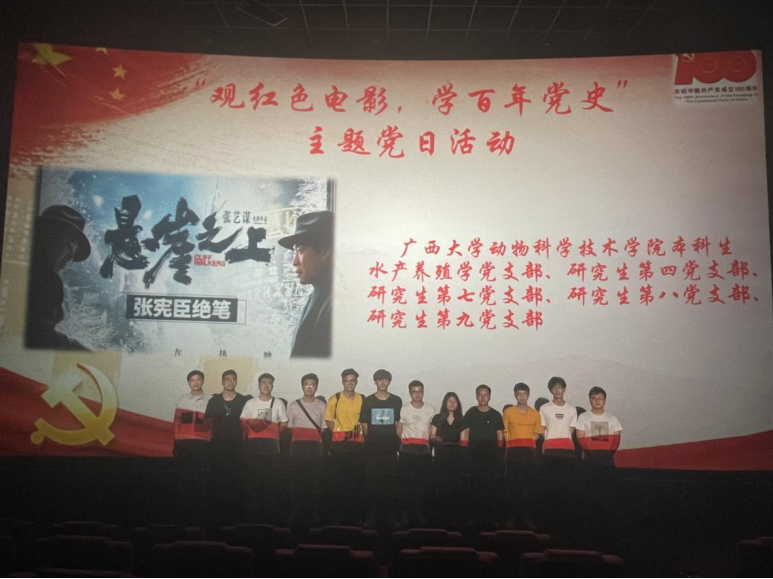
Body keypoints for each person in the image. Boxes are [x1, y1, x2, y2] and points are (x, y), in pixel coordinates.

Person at [26, 205, 92, 350]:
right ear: (49, 237)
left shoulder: (30, 271)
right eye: (69, 245)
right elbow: (40, 338)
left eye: (75, 249)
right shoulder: (46, 280)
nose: (70, 257)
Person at [278, 211, 334, 358]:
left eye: (301, 251)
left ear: (324, 251)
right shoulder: (318, 295)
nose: (295, 261)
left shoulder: (336, 304)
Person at [240, 373, 288, 523]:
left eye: (269, 383)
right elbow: (243, 423)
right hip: (253, 449)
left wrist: (273, 433)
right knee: (252, 483)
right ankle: (252, 518)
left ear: (273, 385)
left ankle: (269, 518)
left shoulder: (278, 403)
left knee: (270, 484)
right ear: (259, 385)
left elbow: (284, 422)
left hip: (271, 449)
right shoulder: (250, 403)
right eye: (263, 382)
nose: (266, 385)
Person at [205, 369, 251, 523]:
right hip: (217, 448)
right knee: (218, 483)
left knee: (236, 482)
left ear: (236, 381)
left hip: (237, 448)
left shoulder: (244, 401)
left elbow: (248, 425)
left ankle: (235, 517)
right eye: (227, 379)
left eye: (233, 379)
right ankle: (218, 517)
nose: (230, 382)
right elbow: (207, 424)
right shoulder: (214, 401)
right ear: (222, 381)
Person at [359, 368, 402, 528]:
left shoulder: (396, 400)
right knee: (372, 483)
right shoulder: (368, 400)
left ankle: (390, 515)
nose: (382, 382)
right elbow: (364, 423)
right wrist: (373, 438)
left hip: (390, 448)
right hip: (372, 449)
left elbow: (397, 424)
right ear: (375, 381)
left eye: (385, 380)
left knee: (390, 483)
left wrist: (396, 443)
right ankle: (372, 515)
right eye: (379, 379)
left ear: (389, 382)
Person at [286, 373, 328, 528]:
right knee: (297, 482)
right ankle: (296, 512)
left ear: (316, 387)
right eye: (306, 384)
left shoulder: (322, 405)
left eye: (312, 384)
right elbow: (290, 427)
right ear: (302, 386)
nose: (309, 387)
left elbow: (324, 428)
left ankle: (313, 513)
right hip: (297, 447)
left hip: (314, 447)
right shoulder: (294, 405)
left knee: (314, 482)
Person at [324, 368, 365, 525]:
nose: (350, 383)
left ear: (356, 382)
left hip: (357, 446)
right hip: (339, 446)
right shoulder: (334, 399)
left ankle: (355, 517)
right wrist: (338, 431)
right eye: (347, 380)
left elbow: (364, 421)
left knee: (356, 482)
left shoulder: (362, 399)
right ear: (342, 382)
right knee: (339, 482)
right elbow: (328, 419)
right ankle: (338, 517)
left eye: (353, 380)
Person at [462, 384, 505, 529]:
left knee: (491, 488)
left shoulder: (496, 415)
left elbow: (500, 437)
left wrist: (499, 455)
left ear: (490, 396)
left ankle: (491, 518)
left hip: (491, 456)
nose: (482, 397)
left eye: (485, 394)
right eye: (480, 395)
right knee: (475, 487)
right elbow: (465, 433)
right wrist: (465, 453)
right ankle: (474, 517)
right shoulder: (470, 413)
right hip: (474, 455)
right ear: (476, 396)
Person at [172, 370, 212, 523]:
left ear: (203, 381)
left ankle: (200, 516)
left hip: (203, 445)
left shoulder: (210, 400)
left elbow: (212, 424)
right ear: (188, 383)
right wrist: (176, 442)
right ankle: (184, 516)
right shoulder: (181, 400)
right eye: (192, 380)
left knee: (201, 481)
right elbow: (177, 423)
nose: (196, 383)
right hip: (185, 445)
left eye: (198, 379)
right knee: (185, 480)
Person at [502, 382, 543, 530]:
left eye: (524, 394)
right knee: (513, 486)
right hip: (513, 452)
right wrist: (513, 442)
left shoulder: (535, 413)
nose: (522, 396)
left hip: (529, 453)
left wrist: (528, 441)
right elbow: (505, 431)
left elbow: (538, 432)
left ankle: (527, 518)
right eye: (519, 394)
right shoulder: (508, 412)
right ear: (515, 395)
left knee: (528, 487)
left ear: (528, 395)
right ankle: (512, 517)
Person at [396, 380, 435, 527]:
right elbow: (399, 430)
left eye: (420, 391)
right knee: (406, 485)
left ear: (423, 392)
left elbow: (431, 430)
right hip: (407, 452)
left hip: (423, 452)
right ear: (410, 393)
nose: (417, 394)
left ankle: (418, 513)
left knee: (421, 486)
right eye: (414, 391)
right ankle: (404, 514)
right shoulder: (404, 409)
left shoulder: (431, 409)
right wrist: (407, 442)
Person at [430, 392, 466, 528]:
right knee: (441, 487)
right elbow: (432, 437)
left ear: (458, 404)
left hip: (456, 458)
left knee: (454, 488)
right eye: (449, 401)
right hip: (441, 457)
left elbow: (463, 440)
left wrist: (444, 439)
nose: (452, 403)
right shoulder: (438, 418)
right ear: (445, 403)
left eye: (454, 401)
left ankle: (454, 517)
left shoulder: (462, 420)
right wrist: (445, 440)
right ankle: (440, 517)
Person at [575, 387, 622, 466]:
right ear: (590, 400)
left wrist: (608, 455)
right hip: (588, 460)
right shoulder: (582, 417)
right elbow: (581, 439)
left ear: (605, 400)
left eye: (600, 398)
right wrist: (590, 455)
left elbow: (616, 441)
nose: (597, 401)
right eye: (594, 398)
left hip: (608, 461)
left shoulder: (613, 419)